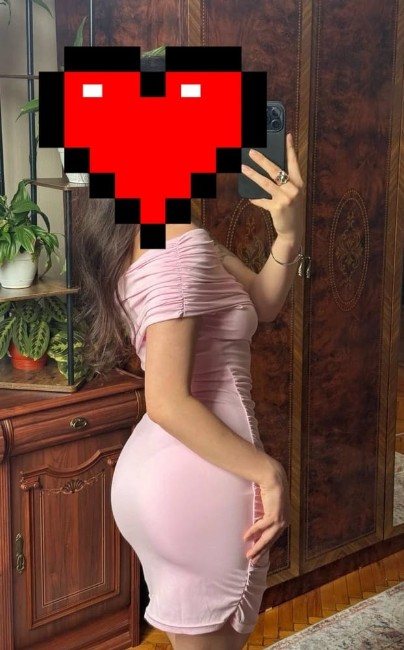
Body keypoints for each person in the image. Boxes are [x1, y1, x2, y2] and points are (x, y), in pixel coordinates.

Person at [74, 57, 304, 650]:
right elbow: (168, 400)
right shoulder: (179, 241)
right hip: (203, 473)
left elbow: (264, 304)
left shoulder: (150, 227)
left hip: (165, 471)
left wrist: (288, 234)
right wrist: (268, 472)